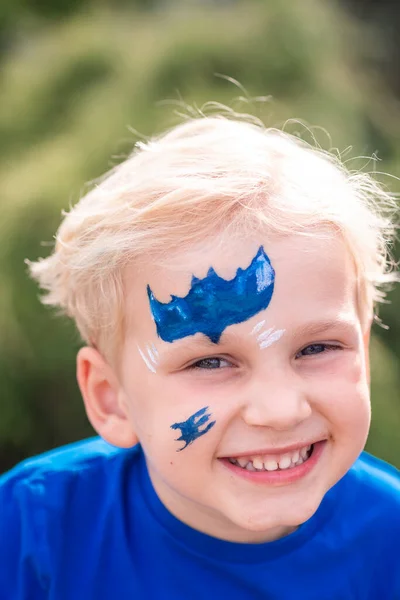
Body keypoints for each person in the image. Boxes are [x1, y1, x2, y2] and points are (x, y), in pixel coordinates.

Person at [0, 111, 399, 599]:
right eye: (210, 362)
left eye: (318, 348)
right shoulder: (31, 529)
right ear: (112, 399)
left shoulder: (390, 543)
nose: (280, 410)